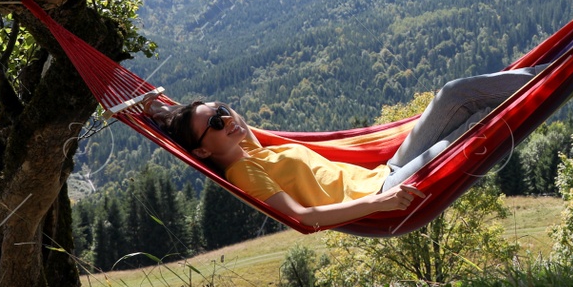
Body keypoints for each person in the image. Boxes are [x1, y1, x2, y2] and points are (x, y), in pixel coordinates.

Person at [164, 66, 545, 227]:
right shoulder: (244, 171)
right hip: (386, 193)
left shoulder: (251, 145)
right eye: (216, 122)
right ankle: (560, 70)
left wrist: (157, 109)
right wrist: (375, 204)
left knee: (454, 94)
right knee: (479, 125)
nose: (229, 120)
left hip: (387, 170)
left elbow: (216, 124)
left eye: (224, 110)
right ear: (201, 152)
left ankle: (558, 66)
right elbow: (302, 215)